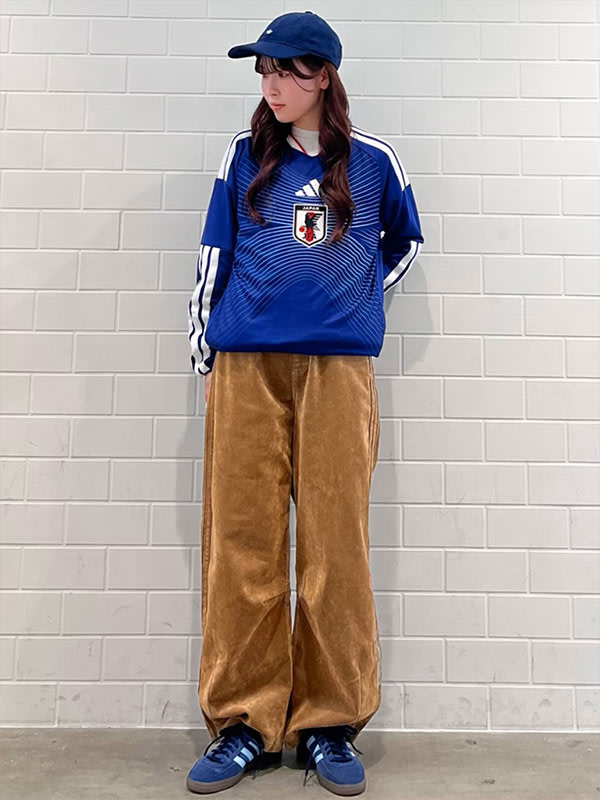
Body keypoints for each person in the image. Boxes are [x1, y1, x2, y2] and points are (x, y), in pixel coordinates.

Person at [186, 10, 424, 796]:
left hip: (338, 376)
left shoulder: (374, 162)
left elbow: (403, 244)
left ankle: (328, 721)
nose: (272, 85)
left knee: (334, 549)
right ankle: (244, 722)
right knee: (243, 548)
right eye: (263, 71)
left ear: (324, 74)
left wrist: (356, 303)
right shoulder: (244, 156)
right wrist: (207, 350)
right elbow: (214, 253)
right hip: (247, 370)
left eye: (287, 70)